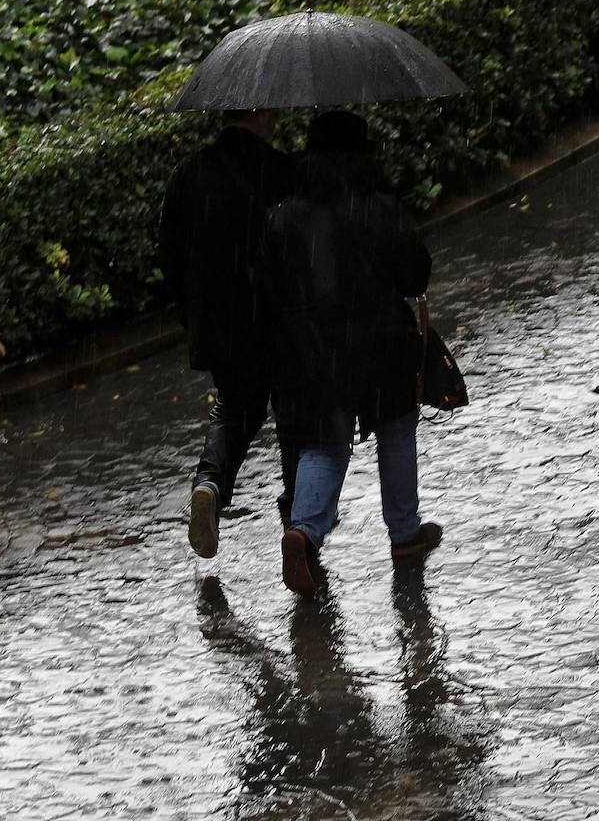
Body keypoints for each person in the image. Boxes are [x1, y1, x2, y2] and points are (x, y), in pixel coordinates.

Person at [260, 111, 442, 597]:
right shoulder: (379, 205)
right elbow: (414, 275)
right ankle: (405, 535)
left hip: (317, 349)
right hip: (383, 340)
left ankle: (303, 530)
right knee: (396, 431)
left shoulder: (284, 215)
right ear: (363, 151)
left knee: (325, 442)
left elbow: (272, 289)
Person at [158, 108, 298, 559]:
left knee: (235, 405)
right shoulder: (277, 170)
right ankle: (299, 515)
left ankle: (210, 483)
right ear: (259, 112)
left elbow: (168, 252)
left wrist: (191, 311)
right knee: (294, 410)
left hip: (217, 320)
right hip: (273, 314)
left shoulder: (189, 174)